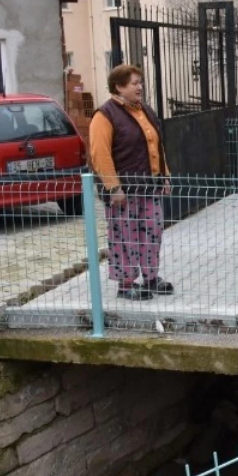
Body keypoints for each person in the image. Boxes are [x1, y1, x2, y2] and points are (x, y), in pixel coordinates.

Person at [89, 64, 173, 301]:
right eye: (134, 83)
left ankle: (151, 277)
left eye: (140, 82)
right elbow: (100, 154)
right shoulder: (104, 115)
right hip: (123, 191)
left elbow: (157, 144)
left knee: (152, 232)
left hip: (148, 185)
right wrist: (113, 187)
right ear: (119, 86)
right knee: (124, 235)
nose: (140, 87)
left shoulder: (144, 110)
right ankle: (126, 283)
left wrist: (164, 175)